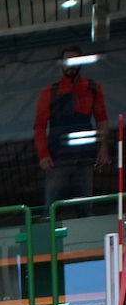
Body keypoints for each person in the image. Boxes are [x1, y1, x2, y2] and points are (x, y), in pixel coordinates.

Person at [34, 48, 112, 206]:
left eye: (75, 61)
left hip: (84, 155)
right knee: (52, 205)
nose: (71, 65)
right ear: (62, 64)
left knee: (85, 202)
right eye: (67, 61)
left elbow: (101, 119)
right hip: (58, 157)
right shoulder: (50, 92)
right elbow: (39, 126)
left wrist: (103, 147)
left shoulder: (92, 88)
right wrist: (43, 154)